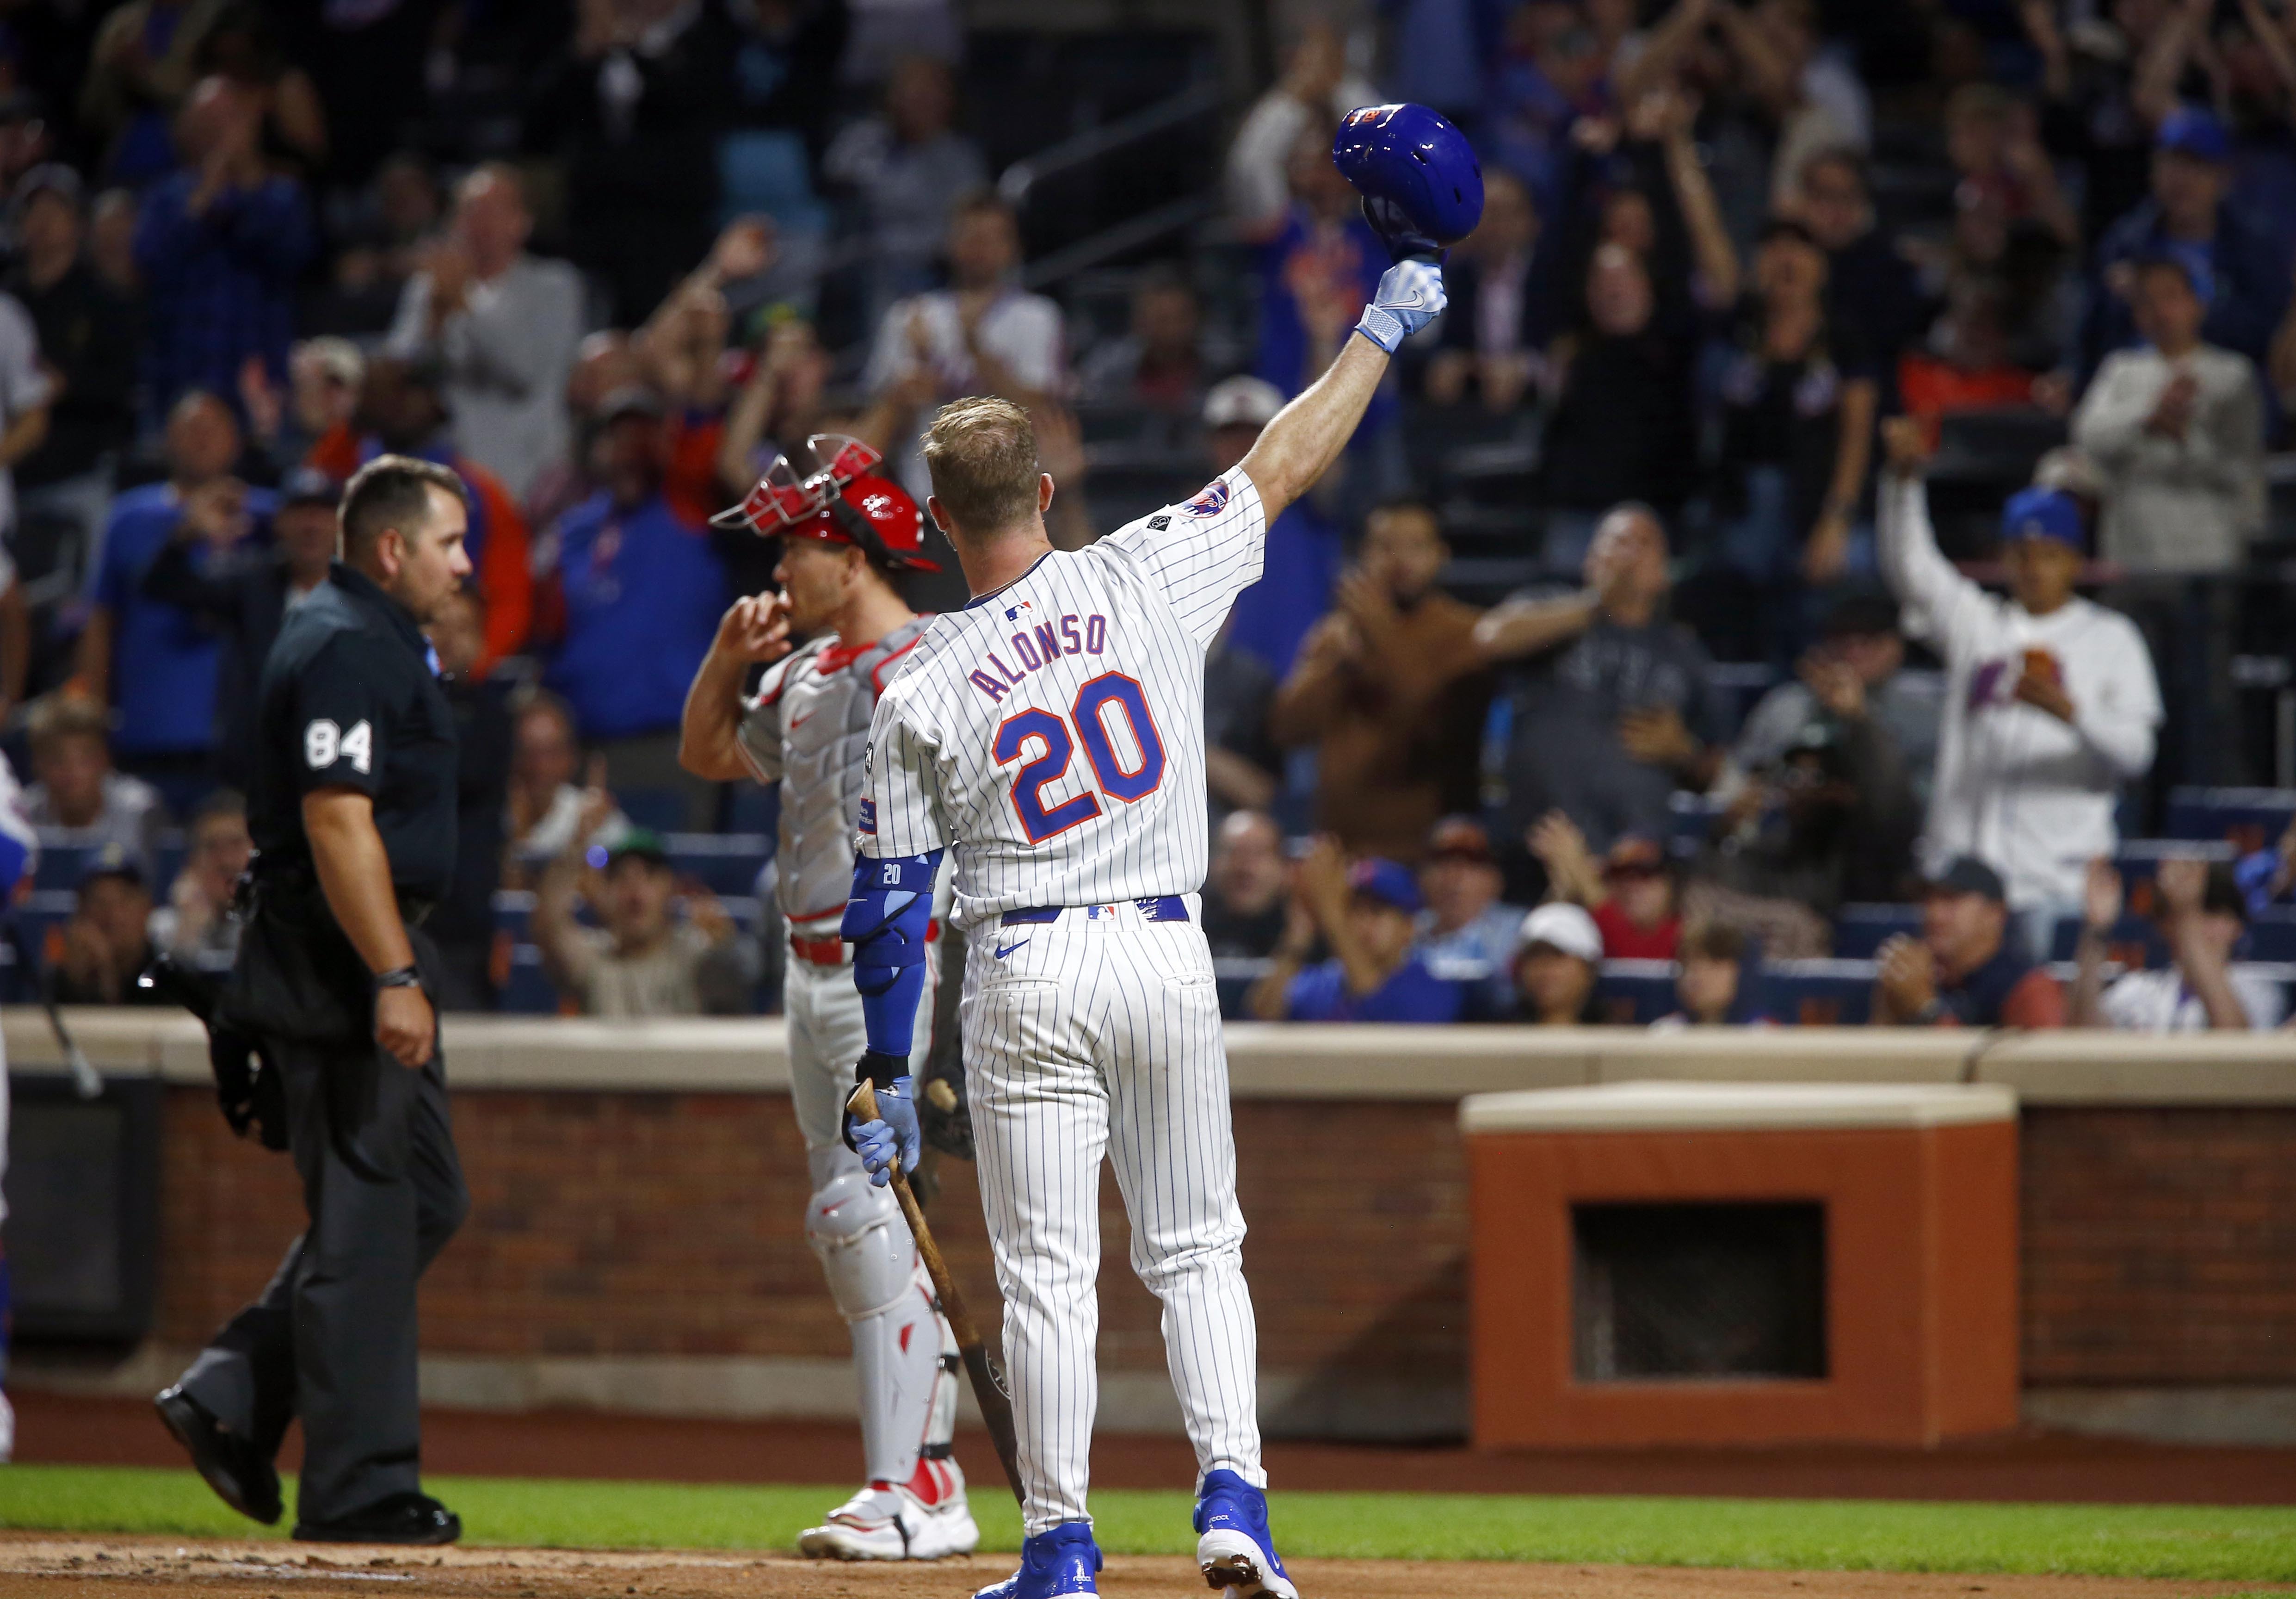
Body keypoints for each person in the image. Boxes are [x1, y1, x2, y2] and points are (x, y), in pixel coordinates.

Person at [838, 253, 1446, 1597]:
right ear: (1043, 495)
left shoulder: (918, 684)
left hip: (1022, 960)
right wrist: (1380, 331)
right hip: (1164, 949)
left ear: (939, 522)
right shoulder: (1145, 573)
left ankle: (1059, 1550)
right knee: (1198, 1248)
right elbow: (1283, 462)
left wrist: (884, 1069)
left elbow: (889, 903)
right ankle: (1236, 1505)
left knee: (1050, 1278)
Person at [156, 455, 474, 1546]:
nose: (465, 564)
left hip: (366, 949)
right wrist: (391, 971)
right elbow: (339, 819)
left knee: (420, 1194)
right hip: (339, 962)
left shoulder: (373, 634)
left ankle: (233, 1388)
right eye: (451, 543)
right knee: (370, 1213)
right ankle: (361, 1486)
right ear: (393, 547)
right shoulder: (343, 640)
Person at [674, 433, 974, 1560]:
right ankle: (931, 1478)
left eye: (797, 553)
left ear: (851, 557)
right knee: (867, 1225)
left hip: (894, 965)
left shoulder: (936, 657)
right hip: (805, 975)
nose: (779, 577)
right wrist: (722, 654)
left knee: (864, 1216)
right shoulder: (802, 676)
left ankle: (899, 1485)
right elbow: (709, 754)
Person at [1877, 416, 2162, 954]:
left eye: (2049, 554)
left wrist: (2069, 712)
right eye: (2021, 554)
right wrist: (1901, 485)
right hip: (1963, 883)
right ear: (2004, 559)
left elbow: (2136, 754)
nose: (2033, 567)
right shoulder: (1977, 625)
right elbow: (1909, 568)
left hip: (2052, 883)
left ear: (2075, 562)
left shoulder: (2110, 639)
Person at [1479, 503, 1727, 866]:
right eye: (1616, 541)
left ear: (1663, 573)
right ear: (1590, 561)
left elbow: (1717, 771)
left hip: (1634, 867)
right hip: (1539, 849)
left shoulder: (1682, 652)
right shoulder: (1551, 612)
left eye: (1643, 543)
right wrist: (1596, 604)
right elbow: (1492, 639)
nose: (1628, 552)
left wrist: (1683, 752)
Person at [543, 389, 730, 829]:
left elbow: (707, 447)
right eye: (617, 439)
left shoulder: (689, 508)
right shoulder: (575, 531)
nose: (628, 453)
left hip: (668, 748)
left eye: (641, 439)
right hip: (586, 750)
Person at [1269, 503, 1493, 863]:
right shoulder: (1339, 632)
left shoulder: (1468, 631)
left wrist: (1381, 630)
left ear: (1442, 556)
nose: (1401, 560)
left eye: (1417, 547)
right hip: (1340, 850)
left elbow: (1433, 722)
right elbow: (1286, 729)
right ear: (1363, 556)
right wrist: (1337, 663)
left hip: (1428, 857)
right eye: (1386, 546)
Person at [79, 390, 266, 814]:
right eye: (190, 429)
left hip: (240, 742)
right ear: (166, 441)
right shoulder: (129, 517)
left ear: (237, 440)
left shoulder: (270, 518)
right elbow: (101, 619)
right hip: (146, 730)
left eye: (213, 429)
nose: (201, 439)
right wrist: (93, 716)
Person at [308, 355, 533, 673]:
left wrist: (478, 666)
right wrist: (357, 420)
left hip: (442, 665)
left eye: (408, 393)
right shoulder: (344, 467)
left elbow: (511, 600)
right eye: (385, 393)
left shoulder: (480, 492)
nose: (396, 404)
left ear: (436, 404)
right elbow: (302, 508)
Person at [385, 164, 585, 505]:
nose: (479, 223)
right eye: (469, 211)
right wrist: (434, 318)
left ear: (522, 222)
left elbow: (523, 371)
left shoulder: (553, 286)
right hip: (448, 473)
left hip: (530, 478)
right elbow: (400, 372)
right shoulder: (429, 289)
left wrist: (462, 302)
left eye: (492, 211)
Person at [140, 465, 340, 794]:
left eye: (322, 514)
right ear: (279, 523)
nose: (311, 526)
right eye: (299, 513)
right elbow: (161, 585)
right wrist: (187, 535)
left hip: (339, 765)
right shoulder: (255, 585)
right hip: (259, 772)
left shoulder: (366, 595)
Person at [132, 75, 314, 429]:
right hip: (181, 370)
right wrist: (202, 201)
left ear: (249, 125)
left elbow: (292, 255)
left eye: (227, 120)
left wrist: (247, 185)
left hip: (258, 373)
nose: (218, 133)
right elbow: (149, 260)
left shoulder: (281, 195)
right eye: (206, 122)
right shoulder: (167, 197)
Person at [2071, 254, 2267, 575]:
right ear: (2137, 315)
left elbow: (2243, 467)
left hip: (2210, 549)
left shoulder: (2232, 375)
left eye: (2172, 297)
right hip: (2133, 548)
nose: (2161, 311)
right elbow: (2087, 435)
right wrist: (2148, 416)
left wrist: (2184, 434)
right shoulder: (2121, 370)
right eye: (2148, 302)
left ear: (2197, 305)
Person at [2084, 106, 2289, 379]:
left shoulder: (2253, 247)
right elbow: (2091, 334)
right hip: (2138, 383)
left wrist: (2187, 312)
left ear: (2223, 178)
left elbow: (2269, 331)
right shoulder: (2126, 242)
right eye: (2171, 163)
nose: (2181, 179)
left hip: (2224, 385)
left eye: (2197, 166)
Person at [7, 165, 133, 564]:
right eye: (33, 212)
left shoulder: (103, 300)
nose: (42, 222)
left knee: (87, 585)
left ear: (79, 224)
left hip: (79, 476)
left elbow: (123, 386)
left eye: (55, 211)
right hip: (9, 477)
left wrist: (68, 384)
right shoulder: (7, 302)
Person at [1733, 588, 1942, 807]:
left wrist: (1858, 717)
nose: (1854, 652)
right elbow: (1742, 780)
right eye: (1842, 639)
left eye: (1869, 641)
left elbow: (1924, 802)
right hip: (1789, 833)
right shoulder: (1785, 707)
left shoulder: (1924, 717)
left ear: (1897, 647)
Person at [824, 54, 988, 322]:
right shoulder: (865, 140)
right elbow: (836, 179)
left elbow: (970, 219)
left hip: (933, 266)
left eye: (927, 95)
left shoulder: (960, 157)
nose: (916, 103)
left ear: (946, 102)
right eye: (908, 93)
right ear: (890, 98)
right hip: (869, 260)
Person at [1200, 376, 1340, 682]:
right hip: (1220, 698)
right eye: (1229, 436)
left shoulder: (1312, 508)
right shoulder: (1189, 523)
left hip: (1298, 691)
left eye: (1255, 437)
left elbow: (1331, 440)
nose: (1241, 449)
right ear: (1211, 445)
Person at [531, 824, 750, 1017]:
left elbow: (734, 1009)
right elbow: (550, 927)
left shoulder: (694, 954)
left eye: (649, 875)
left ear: (670, 888)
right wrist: (576, 844)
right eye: (621, 877)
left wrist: (725, 946)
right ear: (604, 893)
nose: (635, 889)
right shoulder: (594, 959)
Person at [1250, 844, 1463, 1024]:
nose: (1362, 923)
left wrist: (1331, 914)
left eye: (1376, 912)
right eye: (1352, 910)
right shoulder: (1320, 982)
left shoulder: (1432, 988)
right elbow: (1261, 1019)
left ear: (1409, 927)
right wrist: (1299, 935)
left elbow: (1376, 1006)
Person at [426, 587, 514, 1013]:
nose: (449, 640)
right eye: (438, 626)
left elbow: (457, 772)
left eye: (463, 629)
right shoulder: (391, 705)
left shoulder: (492, 715)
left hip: (461, 926)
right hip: (397, 916)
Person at [2074, 856, 2286, 1031]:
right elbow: (2085, 1036)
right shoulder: (2142, 990)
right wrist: (2096, 931)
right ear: (2164, 926)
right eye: (2192, 913)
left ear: (2237, 926)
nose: (2201, 926)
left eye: (2212, 911)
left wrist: (2187, 916)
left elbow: (2234, 1041)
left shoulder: (2257, 989)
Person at [1872, 856, 2065, 1028]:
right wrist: (1889, 1003)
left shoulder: (2029, 987)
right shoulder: (1925, 977)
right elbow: (1874, 1064)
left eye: (1950, 900)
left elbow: (2045, 1065)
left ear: (1995, 913)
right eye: (1927, 901)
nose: (1934, 915)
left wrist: (1926, 1011)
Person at [22, 694, 169, 878]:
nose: (72, 772)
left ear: (105, 760)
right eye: (57, 761)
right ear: (38, 765)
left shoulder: (140, 810)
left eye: (84, 759)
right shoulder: (20, 814)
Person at [505, 691, 630, 880]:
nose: (540, 766)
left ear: (572, 758)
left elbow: (617, 891)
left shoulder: (595, 815)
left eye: (551, 753)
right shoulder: (486, 815)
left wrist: (582, 842)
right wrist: (515, 837)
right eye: (528, 753)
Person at [1417, 817, 1528, 1021]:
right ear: (1422, 877)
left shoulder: (1522, 931)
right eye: (1441, 861)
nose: (1454, 876)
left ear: (1496, 880)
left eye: (1472, 862)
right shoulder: (1405, 931)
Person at [1528, 813, 1682, 959]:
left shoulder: (1685, 933)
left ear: (1670, 883)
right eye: (1618, 873)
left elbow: (1632, 954)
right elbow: (1532, 962)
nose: (1632, 885)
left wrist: (1582, 876)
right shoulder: (1588, 924)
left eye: (1646, 872)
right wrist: (1565, 889)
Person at [52, 851, 165, 1006]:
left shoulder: (166, 976)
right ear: (81, 913)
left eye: (124, 900)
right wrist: (85, 981)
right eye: (99, 901)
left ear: (147, 909)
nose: (112, 915)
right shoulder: (66, 978)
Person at [156, 788, 252, 967]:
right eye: (212, 847)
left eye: (236, 844)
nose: (226, 861)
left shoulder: (279, 923)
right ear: (193, 862)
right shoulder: (164, 930)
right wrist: (189, 933)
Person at [1201, 810, 1289, 960]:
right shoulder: (1188, 924)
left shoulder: (1306, 936)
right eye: (1232, 852)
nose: (1244, 867)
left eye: (1258, 853)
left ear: (1283, 867)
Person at [1651, 921, 1760, 1029]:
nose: (1694, 977)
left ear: (1742, 973)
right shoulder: (1666, 1032)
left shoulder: (1765, 1036)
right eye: (1688, 966)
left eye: (1713, 964)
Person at [1510, 900, 1604, 1025]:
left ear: (1588, 968)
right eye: (1534, 956)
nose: (1543, 967)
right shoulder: (1496, 1036)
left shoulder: (1622, 1038)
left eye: (1557, 956)